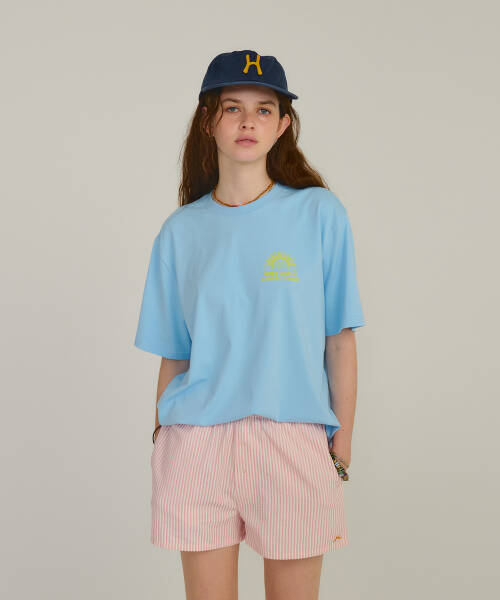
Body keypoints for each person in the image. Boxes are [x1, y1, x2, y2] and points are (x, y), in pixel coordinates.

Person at [134, 49, 366, 600]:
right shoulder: (180, 231)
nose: (247, 122)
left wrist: (342, 445)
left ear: (283, 125)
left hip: (291, 436)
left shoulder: (319, 214)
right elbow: (175, 353)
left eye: (264, 109)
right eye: (232, 107)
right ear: (208, 121)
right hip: (197, 441)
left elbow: (339, 340)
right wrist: (162, 436)